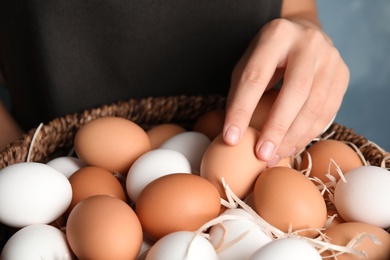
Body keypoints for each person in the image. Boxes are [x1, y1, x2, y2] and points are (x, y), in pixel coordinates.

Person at [0, 0, 349, 167]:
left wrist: (309, 36)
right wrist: (19, 169)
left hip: (250, 148)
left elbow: (296, 10)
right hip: (52, 161)